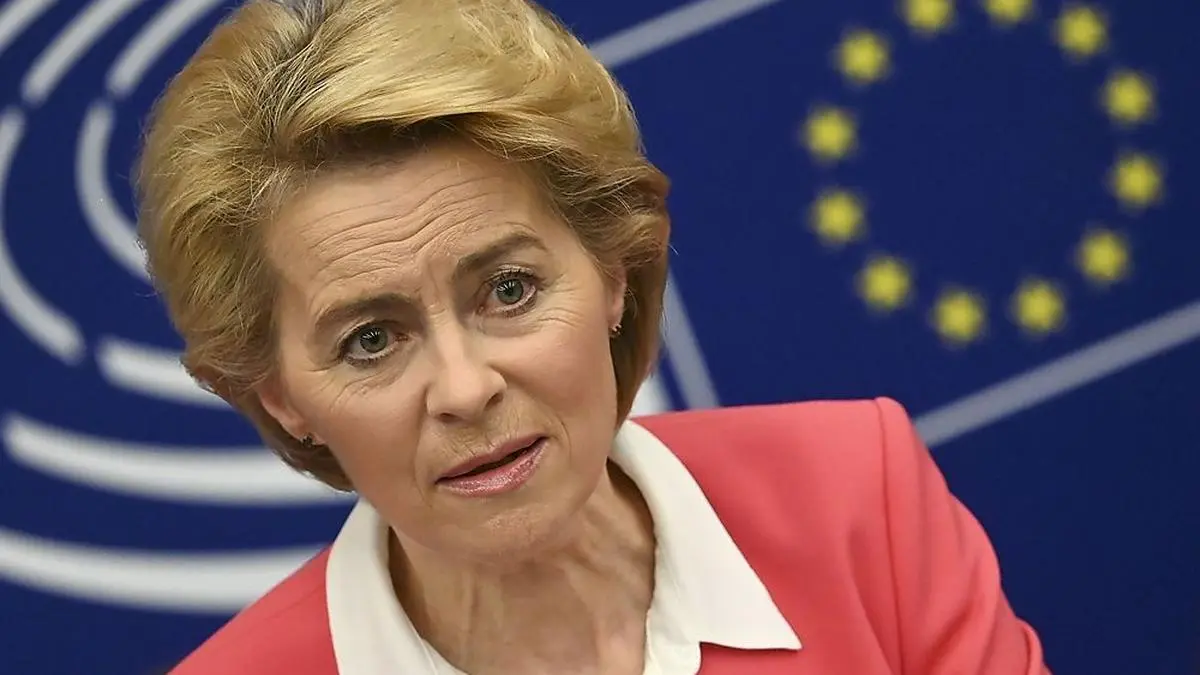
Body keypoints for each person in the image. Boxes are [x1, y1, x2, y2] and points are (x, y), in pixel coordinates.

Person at [138, 0, 1051, 673]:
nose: (465, 387)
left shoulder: (857, 496)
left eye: (508, 289)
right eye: (371, 340)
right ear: (281, 398)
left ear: (615, 268)